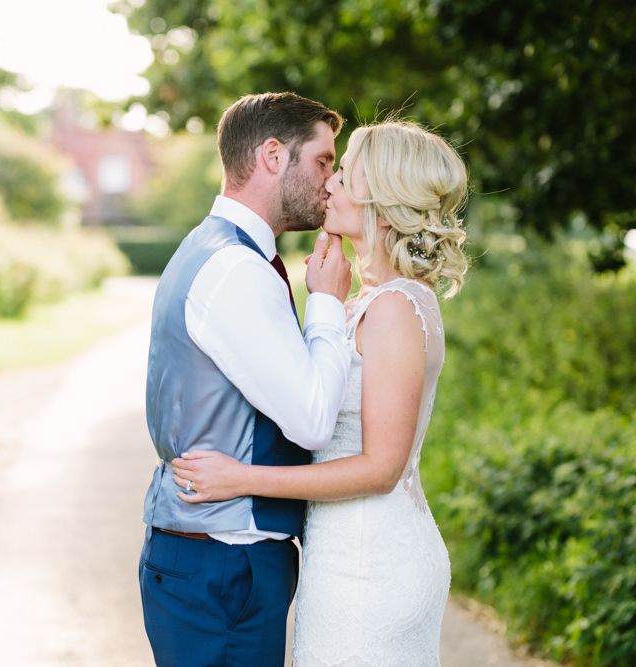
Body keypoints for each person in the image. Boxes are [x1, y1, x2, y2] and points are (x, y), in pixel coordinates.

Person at [171, 120, 469, 666]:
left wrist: (242, 479)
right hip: (344, 556)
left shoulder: (395, 310)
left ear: (382, 196)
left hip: (370, 567)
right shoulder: (370, 300)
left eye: (344, 173)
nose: (327, 184)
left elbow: (381, 468)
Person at [139, 92, 353, 667]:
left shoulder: (214, 248)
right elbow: (310, 421)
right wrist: (327, 305)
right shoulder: (236, 269)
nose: (331, 182)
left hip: (212, 556)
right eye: (324, 161)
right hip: (226, 563)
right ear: (274, 155)